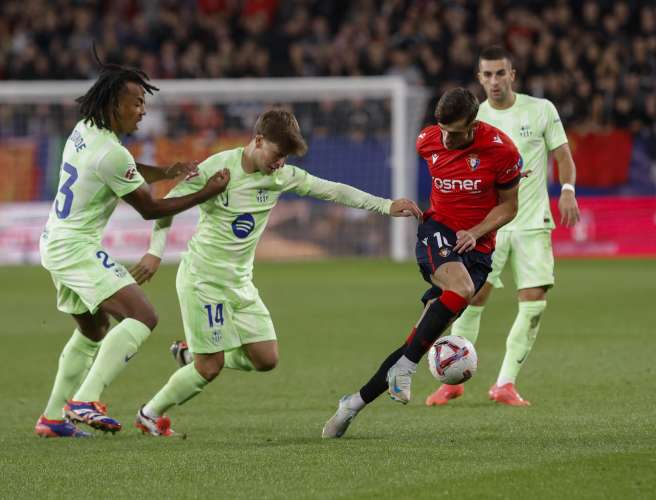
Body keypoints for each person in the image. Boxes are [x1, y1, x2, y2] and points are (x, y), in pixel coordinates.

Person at [129, 108, 423, 436]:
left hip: (239, 282)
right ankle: (149, 413)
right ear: (257, 140)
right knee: (209, 367)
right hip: (203, 280)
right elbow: (166, 207)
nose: (279, 163)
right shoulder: (216, 167)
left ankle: (191, 352)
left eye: (284, 158)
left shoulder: (282, 177)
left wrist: (385, 205)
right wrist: (155, 253)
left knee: (266, 359)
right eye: (276, 154)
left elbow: (333, 190)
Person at [34, 52, 230, 438]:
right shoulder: (113, 152)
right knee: (144, 317)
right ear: (113, 104)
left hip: (54, 241)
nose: (142, 110)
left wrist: (165, 172)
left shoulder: (86, 131)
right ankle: (85, 399)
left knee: (94, 332)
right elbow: (150, 207)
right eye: (136, 102)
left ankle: (53, 418)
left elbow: (125, 171)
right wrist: (208, 191)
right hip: (75, 247)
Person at [322, 87, 522, 439]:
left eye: (456, 131)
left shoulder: (501, 150)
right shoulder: (427, 141)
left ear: (474, 124)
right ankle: (407, 368)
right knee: (458, 292)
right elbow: (438, 148)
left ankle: (352, 404)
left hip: (477, 249)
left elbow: (509, 207)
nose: (446, 138)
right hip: (437, 232)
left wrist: (476, 231)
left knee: (419, 339)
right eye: (442, 128)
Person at [426, 45, 580, 408]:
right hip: (488, 226)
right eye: (487, 75)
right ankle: (452, 380)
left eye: (500, 73)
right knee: (471, 298)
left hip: (531, 223)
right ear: (479, 79)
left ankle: (505, 383)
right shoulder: (472, 120)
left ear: (512, 75)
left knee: (534, 302)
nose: (494, 81)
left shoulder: (541, 110)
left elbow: (562, 155)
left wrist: (568, 190)